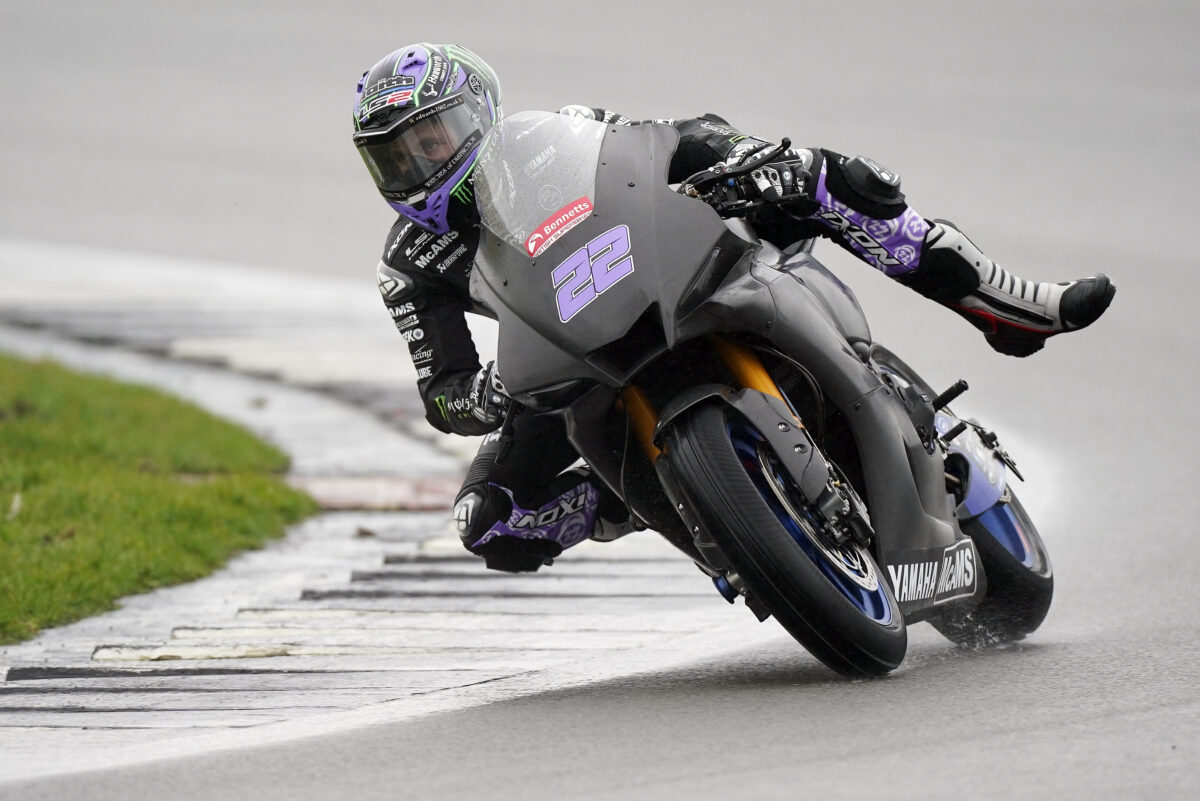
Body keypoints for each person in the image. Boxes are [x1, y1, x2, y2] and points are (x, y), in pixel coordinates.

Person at [352, 43, 1115, 573]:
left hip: (662, 274)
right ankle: (644, 502)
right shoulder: (409, 266)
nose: (422, 164)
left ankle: (1005, 304)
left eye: (432, 137)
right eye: (397, 156)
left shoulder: (548, 137)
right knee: (491, 523)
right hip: (564, 359)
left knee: (836, 178)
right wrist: (483, 394)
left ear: (478, 112)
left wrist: (742, 162)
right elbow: (442, 393)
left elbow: (653, 153)